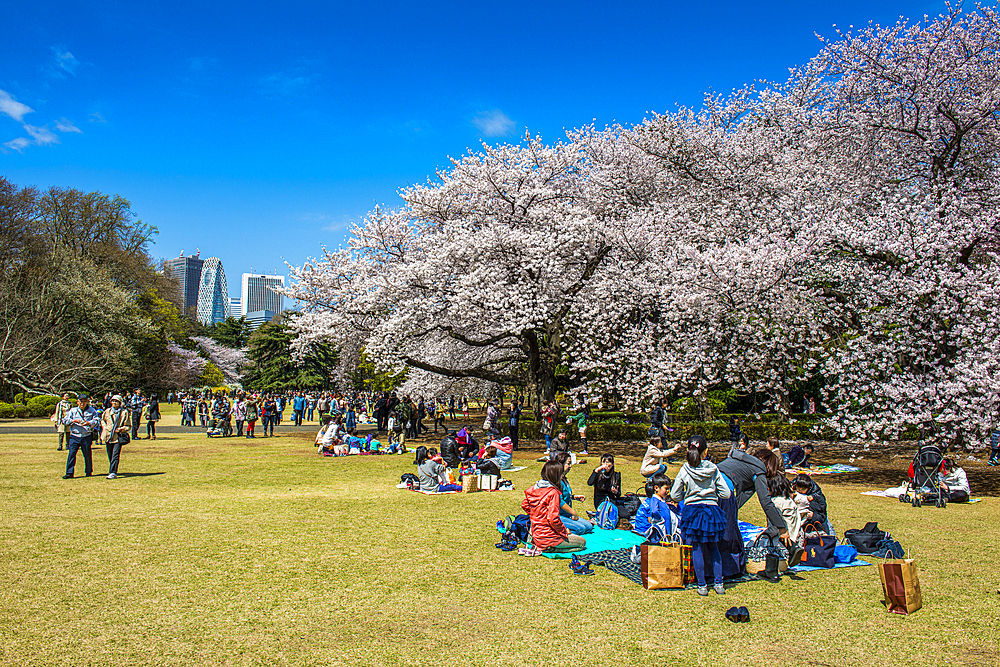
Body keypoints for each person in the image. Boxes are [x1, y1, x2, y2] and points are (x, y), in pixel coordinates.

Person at [716, 446, 801, 580]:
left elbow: (742, 497)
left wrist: (731, 512)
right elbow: (766, 502)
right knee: (729, 534)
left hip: (707, 486)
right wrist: (782, 528)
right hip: (723, 490)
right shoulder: (759, 469)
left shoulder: (741, 460)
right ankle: (729, 570)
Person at [670, 435, 732, 595]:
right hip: (711, 510)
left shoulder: (685, 469)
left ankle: (702, 585)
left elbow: (675, 495)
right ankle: (719, 584)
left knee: (696, 547)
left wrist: (688, 495)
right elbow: (726, 493)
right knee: (714, 547)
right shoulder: (713, 468)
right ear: (706, 451)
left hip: (693, 512)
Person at [521, 461, 587, 553]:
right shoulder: (553, 493)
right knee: (582, 543)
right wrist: (564, 531)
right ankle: (551, 549)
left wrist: (537, 515)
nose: (562, 476)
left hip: (535, 534)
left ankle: (546, 546)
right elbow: (553, 519)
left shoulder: (534, 488)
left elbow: (524, 504)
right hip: (549, 537)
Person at [551, 452, 593, 535]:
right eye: (568, 463)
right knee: (580, 529)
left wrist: (573, 497)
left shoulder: (564, 479)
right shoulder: (557, 481)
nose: (570, 466)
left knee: (589, 526)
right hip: (558, 516)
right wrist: (573, 512)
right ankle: (558, 532)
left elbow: (564, 494)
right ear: (560, 464)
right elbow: (560, 501)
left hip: (566, 515)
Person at [61, 394, 100, 479]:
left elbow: (97, 420)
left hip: (86, 435)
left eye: (84, 401)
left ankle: (88, 471)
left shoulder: (91, 410)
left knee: (87, 454)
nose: (82, 403)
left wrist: (89, 423)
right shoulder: (73, 410)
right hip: (75, 435)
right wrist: (73, 421)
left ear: (87, 402)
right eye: (81, 401)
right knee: (71, 454)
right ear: (77, 402)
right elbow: (64, 420)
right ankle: (69, 472)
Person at [100, 395, 132, 479]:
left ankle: (113, 472)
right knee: (110, 454)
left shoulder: (124, 412)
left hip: (118, 437)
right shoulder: (107, 411)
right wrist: (105, 427)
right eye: (113, 401)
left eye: (116, 401)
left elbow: (128, 425)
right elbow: (102, 420)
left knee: (115, 455)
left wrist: (121, 429)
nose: (114, 403)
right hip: (108, 436)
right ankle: (112, 468)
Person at [633, 474, 674, 539]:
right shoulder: (655, 500)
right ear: (656, 488)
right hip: (658, 530)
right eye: (666, 488)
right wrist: (659, 519)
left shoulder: (662, 500)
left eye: (669, 489)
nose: (668, 491)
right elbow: (654, 511)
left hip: (666, 528)